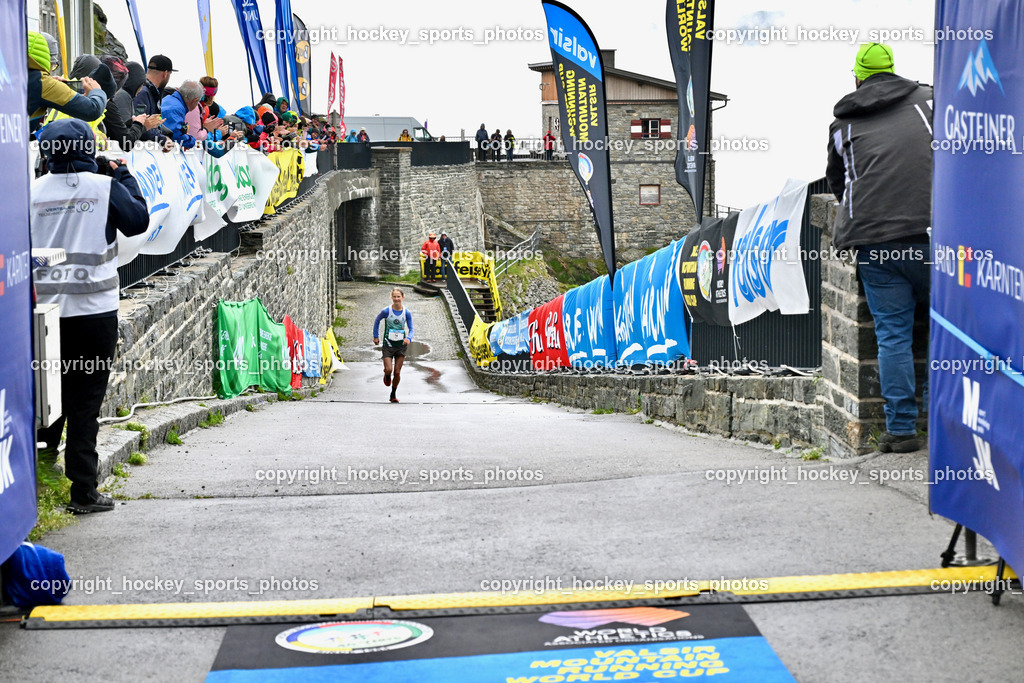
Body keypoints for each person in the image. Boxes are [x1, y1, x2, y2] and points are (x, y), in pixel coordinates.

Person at [32, 119, 150, 514]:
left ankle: (38, 476)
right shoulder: (104, 188)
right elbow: (137, 222)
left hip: (42, 317)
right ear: (87, 147)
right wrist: (126, 175)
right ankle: (83, 491)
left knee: (46, 397)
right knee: (84, 404)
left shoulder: (29, 193)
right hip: (94, 314)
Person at [826, 43, 932, 454]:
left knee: (892, 337)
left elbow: (838, 182)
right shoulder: (930, 102)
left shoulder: (842, 125)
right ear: (893, 70)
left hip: (874, 243)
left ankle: (902, 430)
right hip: (931, 236)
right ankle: (948, 423)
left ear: (857, 77)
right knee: (948, 328)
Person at [27, 32, 106, 132]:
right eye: (53, 65)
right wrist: (97, 91)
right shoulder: (42, 83)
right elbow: (93, 110)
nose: (51, 71)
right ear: (45, 60)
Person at [372, 288, 414, 403]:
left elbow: (411, 328)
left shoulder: (406, 312)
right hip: (388, 344)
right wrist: (375, 336)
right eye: (394, 297)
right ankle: (386, 375)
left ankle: (393, 394)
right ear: (392, 297)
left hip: (401, 345)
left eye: (398, 297)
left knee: (397, 372)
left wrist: (409, 338)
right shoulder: (386, 311)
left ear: (402, 297)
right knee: (389, 369)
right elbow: (377, 320)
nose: (396, 299)